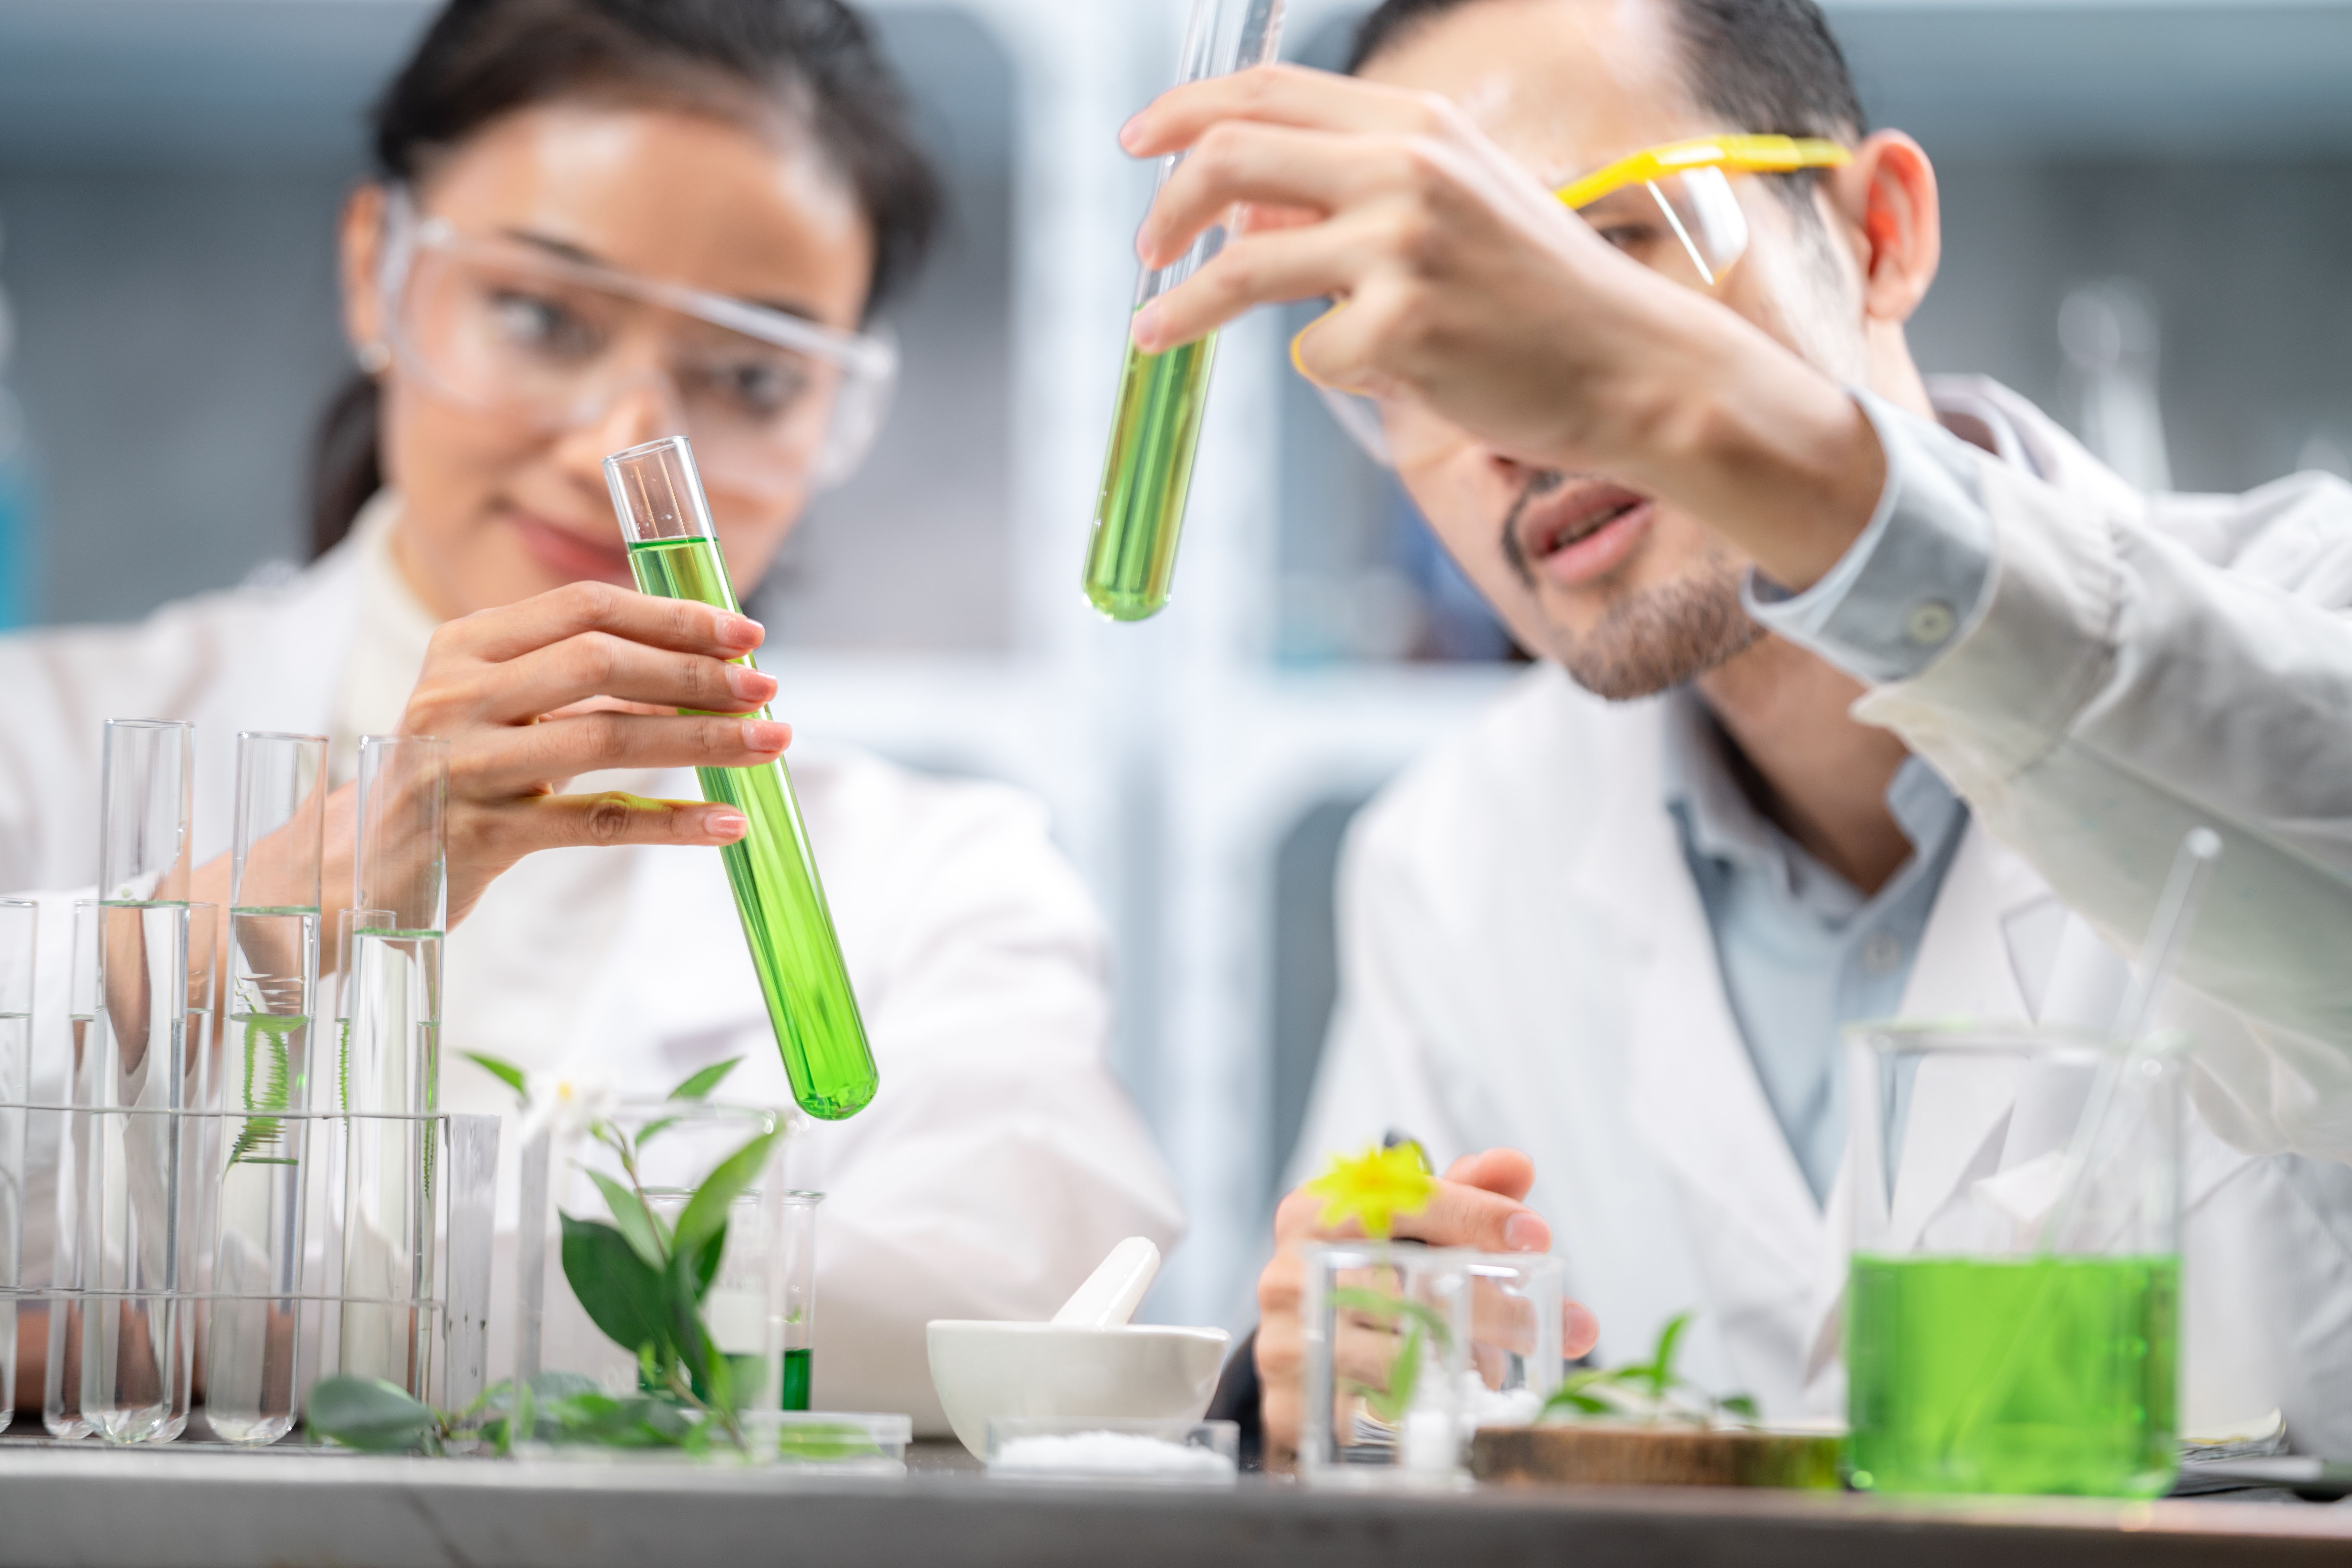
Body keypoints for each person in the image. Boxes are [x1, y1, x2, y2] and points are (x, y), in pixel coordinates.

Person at [1143, 0, 2352, 1455]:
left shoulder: (2311, 605)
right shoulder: (1453, 853)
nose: (1511, 413)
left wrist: (1728, 433)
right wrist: (1330, 1388)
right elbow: (1402, 1417)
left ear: (1880, 235)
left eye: (1603, 258)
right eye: (1424, 345)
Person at [0, 0, 1180, 1428]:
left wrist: (223, 1332)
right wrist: (299, 888)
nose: (623, 446)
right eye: (542, 314)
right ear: (381, 272)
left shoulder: (944, 881)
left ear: (834, 418)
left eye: (747, 377)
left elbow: (1008, 1311)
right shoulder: (41, 744)